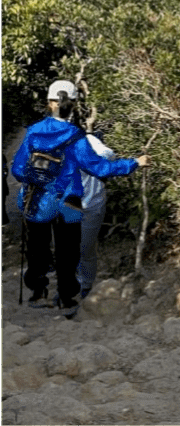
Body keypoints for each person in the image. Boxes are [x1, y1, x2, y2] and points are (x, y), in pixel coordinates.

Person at [11, 79, 151, 315]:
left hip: (37, 200)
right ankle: (67, 300)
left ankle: (38, 292)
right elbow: (100, 168)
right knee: (68, 252)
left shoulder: (33, 133)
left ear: (49, 103)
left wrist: (37, 177)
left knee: (37, 248)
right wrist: (134, 163)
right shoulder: (76, 137)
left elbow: (17, 169)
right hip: (69, 201)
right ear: (73, 105)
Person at [77, 131, 116, 298]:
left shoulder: (88, 140)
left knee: (85, 247)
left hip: (91, 205)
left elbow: (108, 154)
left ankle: (85, 284)